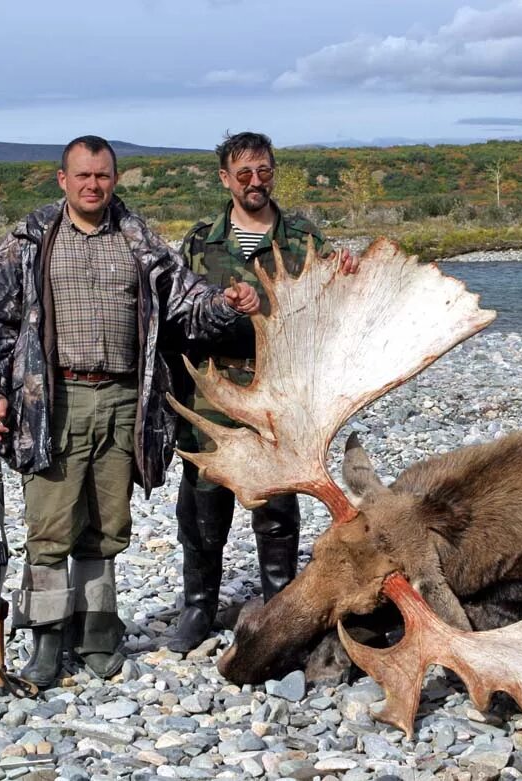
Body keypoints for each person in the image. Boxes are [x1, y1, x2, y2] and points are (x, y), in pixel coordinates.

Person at [0, 135, 259, 689]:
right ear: (63, 180)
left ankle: (99, 634)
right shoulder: (29, 241)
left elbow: (183, 303)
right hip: (52, 402)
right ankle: (47, 645)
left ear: (114, 179)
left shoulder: (138, 238)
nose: (93, 185)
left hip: (126, 400)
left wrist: (224, 305)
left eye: (102, 176)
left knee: (106, 529)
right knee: (50, 530)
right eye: (82, 176)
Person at [166, 131, 356, 653]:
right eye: (244, 174)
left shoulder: (303, 238)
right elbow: (179, 317)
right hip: (216, 390)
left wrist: (345, 277)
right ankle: (199, 606)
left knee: (276, 500)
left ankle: (279, 601)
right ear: (225, 179)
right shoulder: (200, 243)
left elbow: (333, 307)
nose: (255, 182)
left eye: (264, 172)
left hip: (278, 389)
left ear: (274, 173)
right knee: (204, 498)